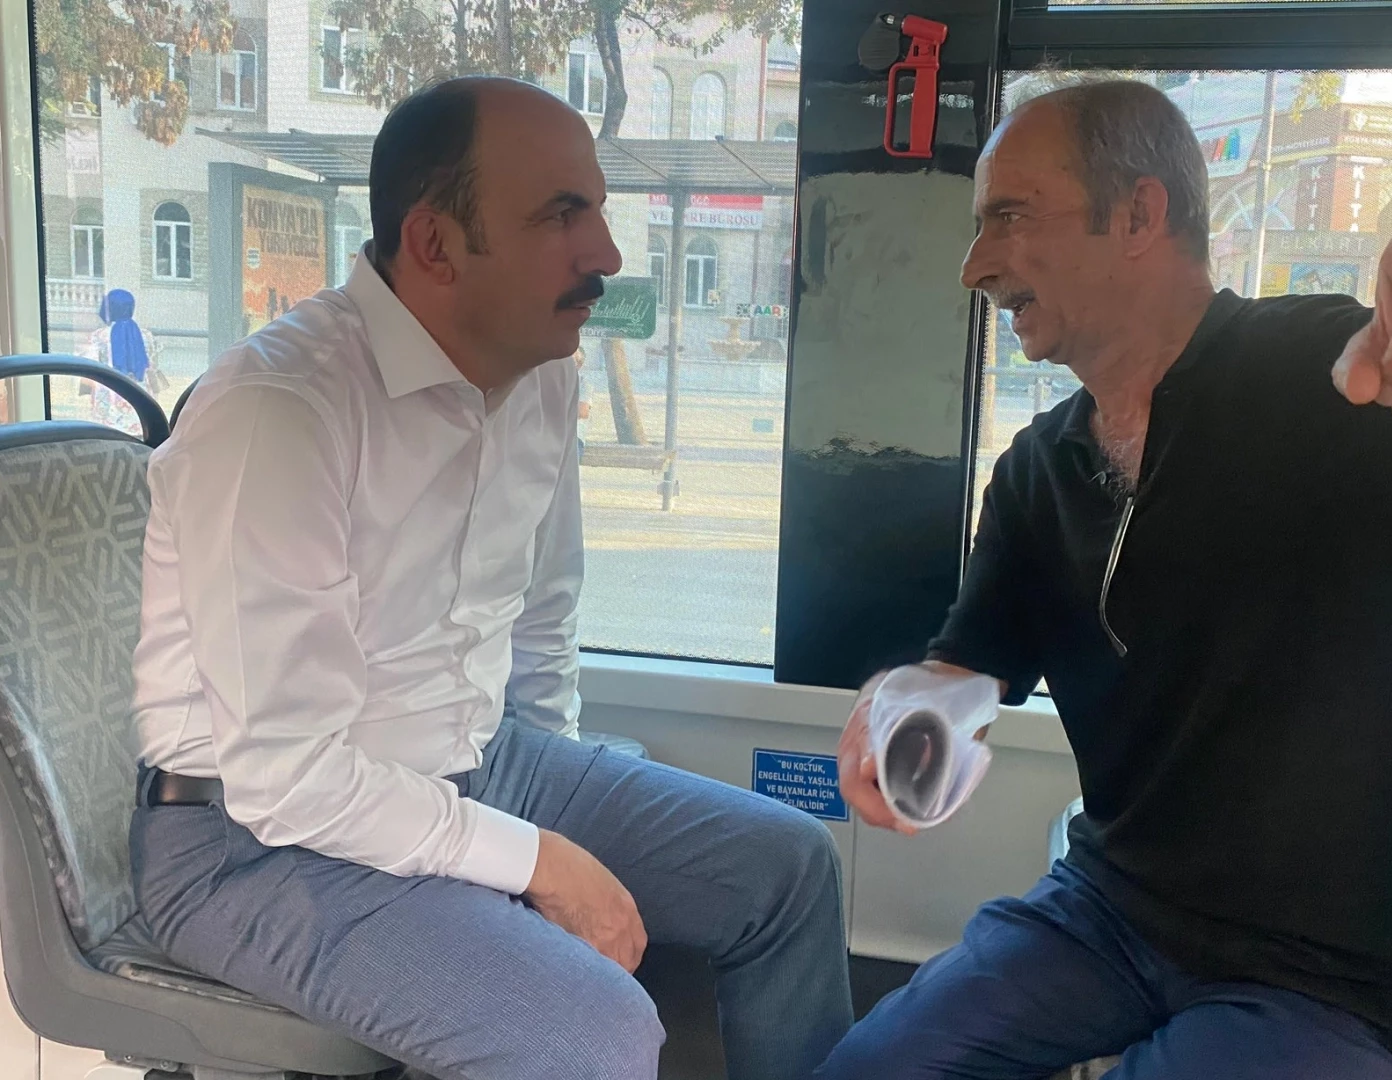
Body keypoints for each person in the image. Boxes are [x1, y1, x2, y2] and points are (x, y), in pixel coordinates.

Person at [817, 80, 1392, 1080]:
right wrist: (906, 702)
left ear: (1138, 215)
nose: (975, 265)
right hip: (1113, 909)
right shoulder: (1035, 472)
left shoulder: (1340, 378)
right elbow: (967, 667)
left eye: (1009, 217)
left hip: (1357, 976)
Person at [128, 76, 852, 1080]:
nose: (607, 253)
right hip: (250, 842)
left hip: (477, 759)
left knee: (787, 868)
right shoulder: (279, 411)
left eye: (597, 210)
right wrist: (537, 860)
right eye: (562, 215)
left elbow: (542, 614)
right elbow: (287, 778)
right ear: (434, 244)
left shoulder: (542, 373)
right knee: (591, 1031)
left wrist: (548, 819)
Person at [82, 287, 160, 436]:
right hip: (139, 396)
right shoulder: (146, 335)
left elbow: (90, 368)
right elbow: (152, 367)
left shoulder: (99, 336)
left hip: (108, 397)